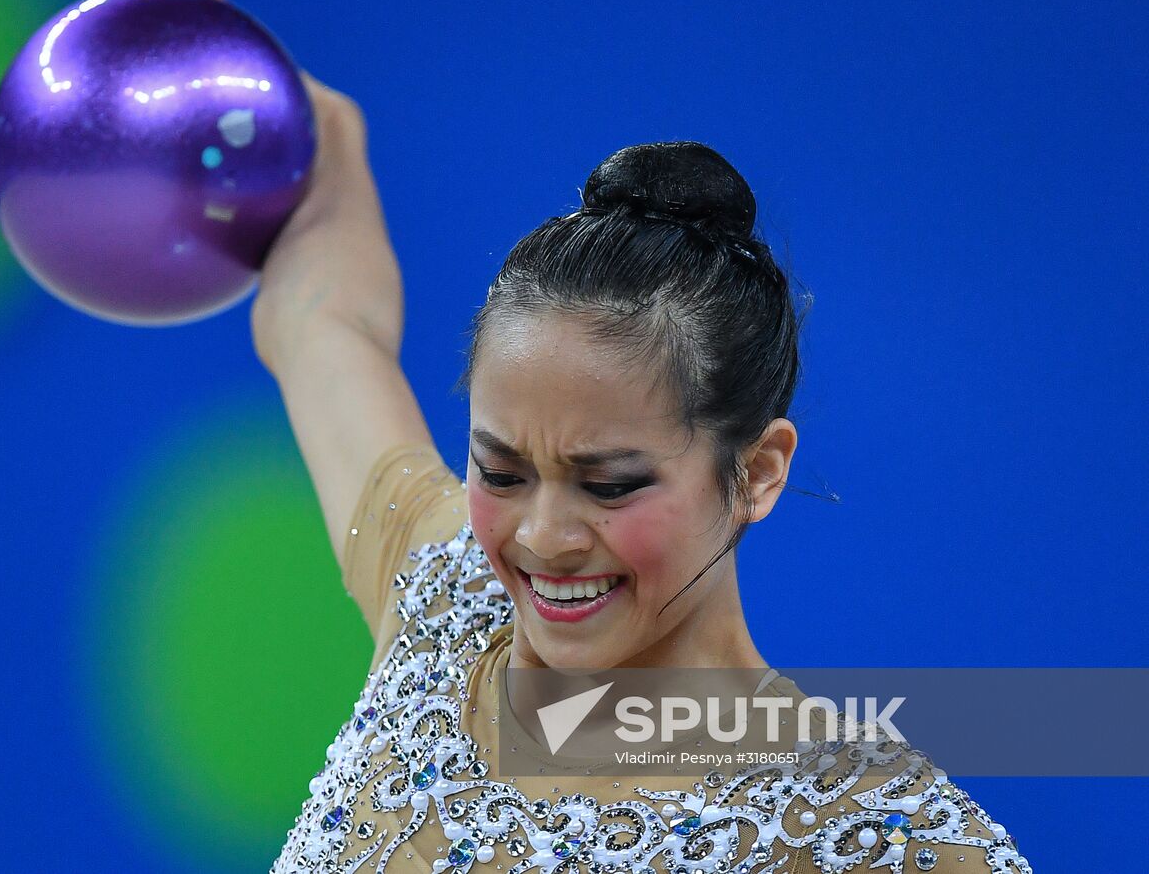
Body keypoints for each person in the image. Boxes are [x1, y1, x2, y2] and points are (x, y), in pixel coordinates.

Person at [251, 75, 1032, 873]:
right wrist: (318, 134)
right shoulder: (442, 596)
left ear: (758, 471)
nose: (544, 537)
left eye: (610, 484)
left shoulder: (882, 838)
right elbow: (322, 323)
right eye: (501, 471)